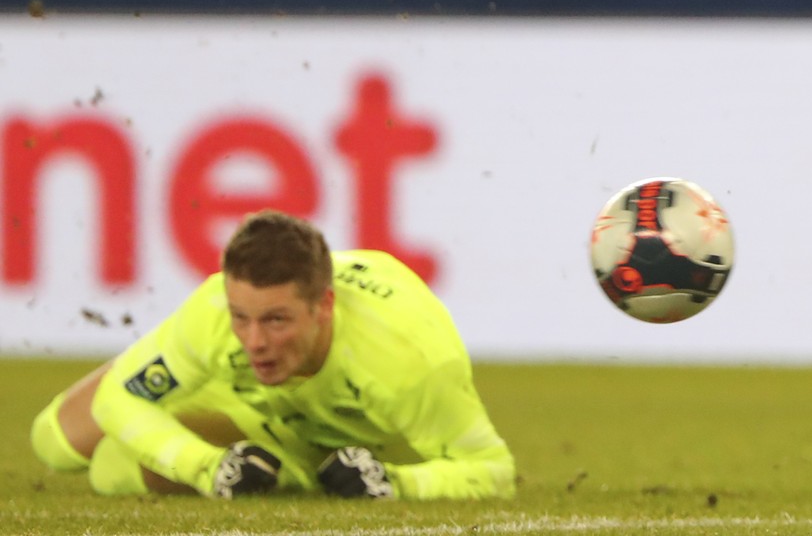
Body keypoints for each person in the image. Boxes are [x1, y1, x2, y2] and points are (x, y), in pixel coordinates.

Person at [29, 210, 515, 499]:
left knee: (113, 468)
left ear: (324, 306)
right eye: (243, 316)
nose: (255, 341)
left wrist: (395, 484)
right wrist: (207, 467)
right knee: (52, 439)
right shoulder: (215, 310)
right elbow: (116, 399)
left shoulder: (408, 360)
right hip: (248, 394)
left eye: (276, 320)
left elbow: (493, 469)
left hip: (318, 441)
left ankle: (293, 475)